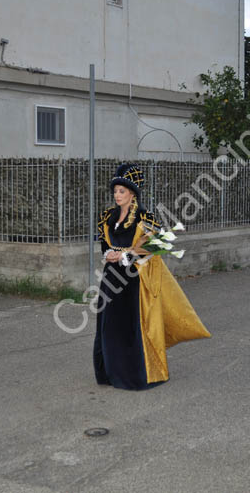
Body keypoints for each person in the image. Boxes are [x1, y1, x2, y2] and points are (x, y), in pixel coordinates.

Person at [94, 163, 211, 390]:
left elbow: (152, 248)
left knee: (131, 327)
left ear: (132, 193)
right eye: (115, 191)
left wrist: (127, 256)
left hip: (133, 279)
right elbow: (103, 245)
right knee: (110, 327)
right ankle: (110, 372)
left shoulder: (145, 217)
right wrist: (108, 254)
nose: (117, 195)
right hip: (111, 279)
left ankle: (133, 374)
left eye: (122, 191)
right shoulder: (107, 217)